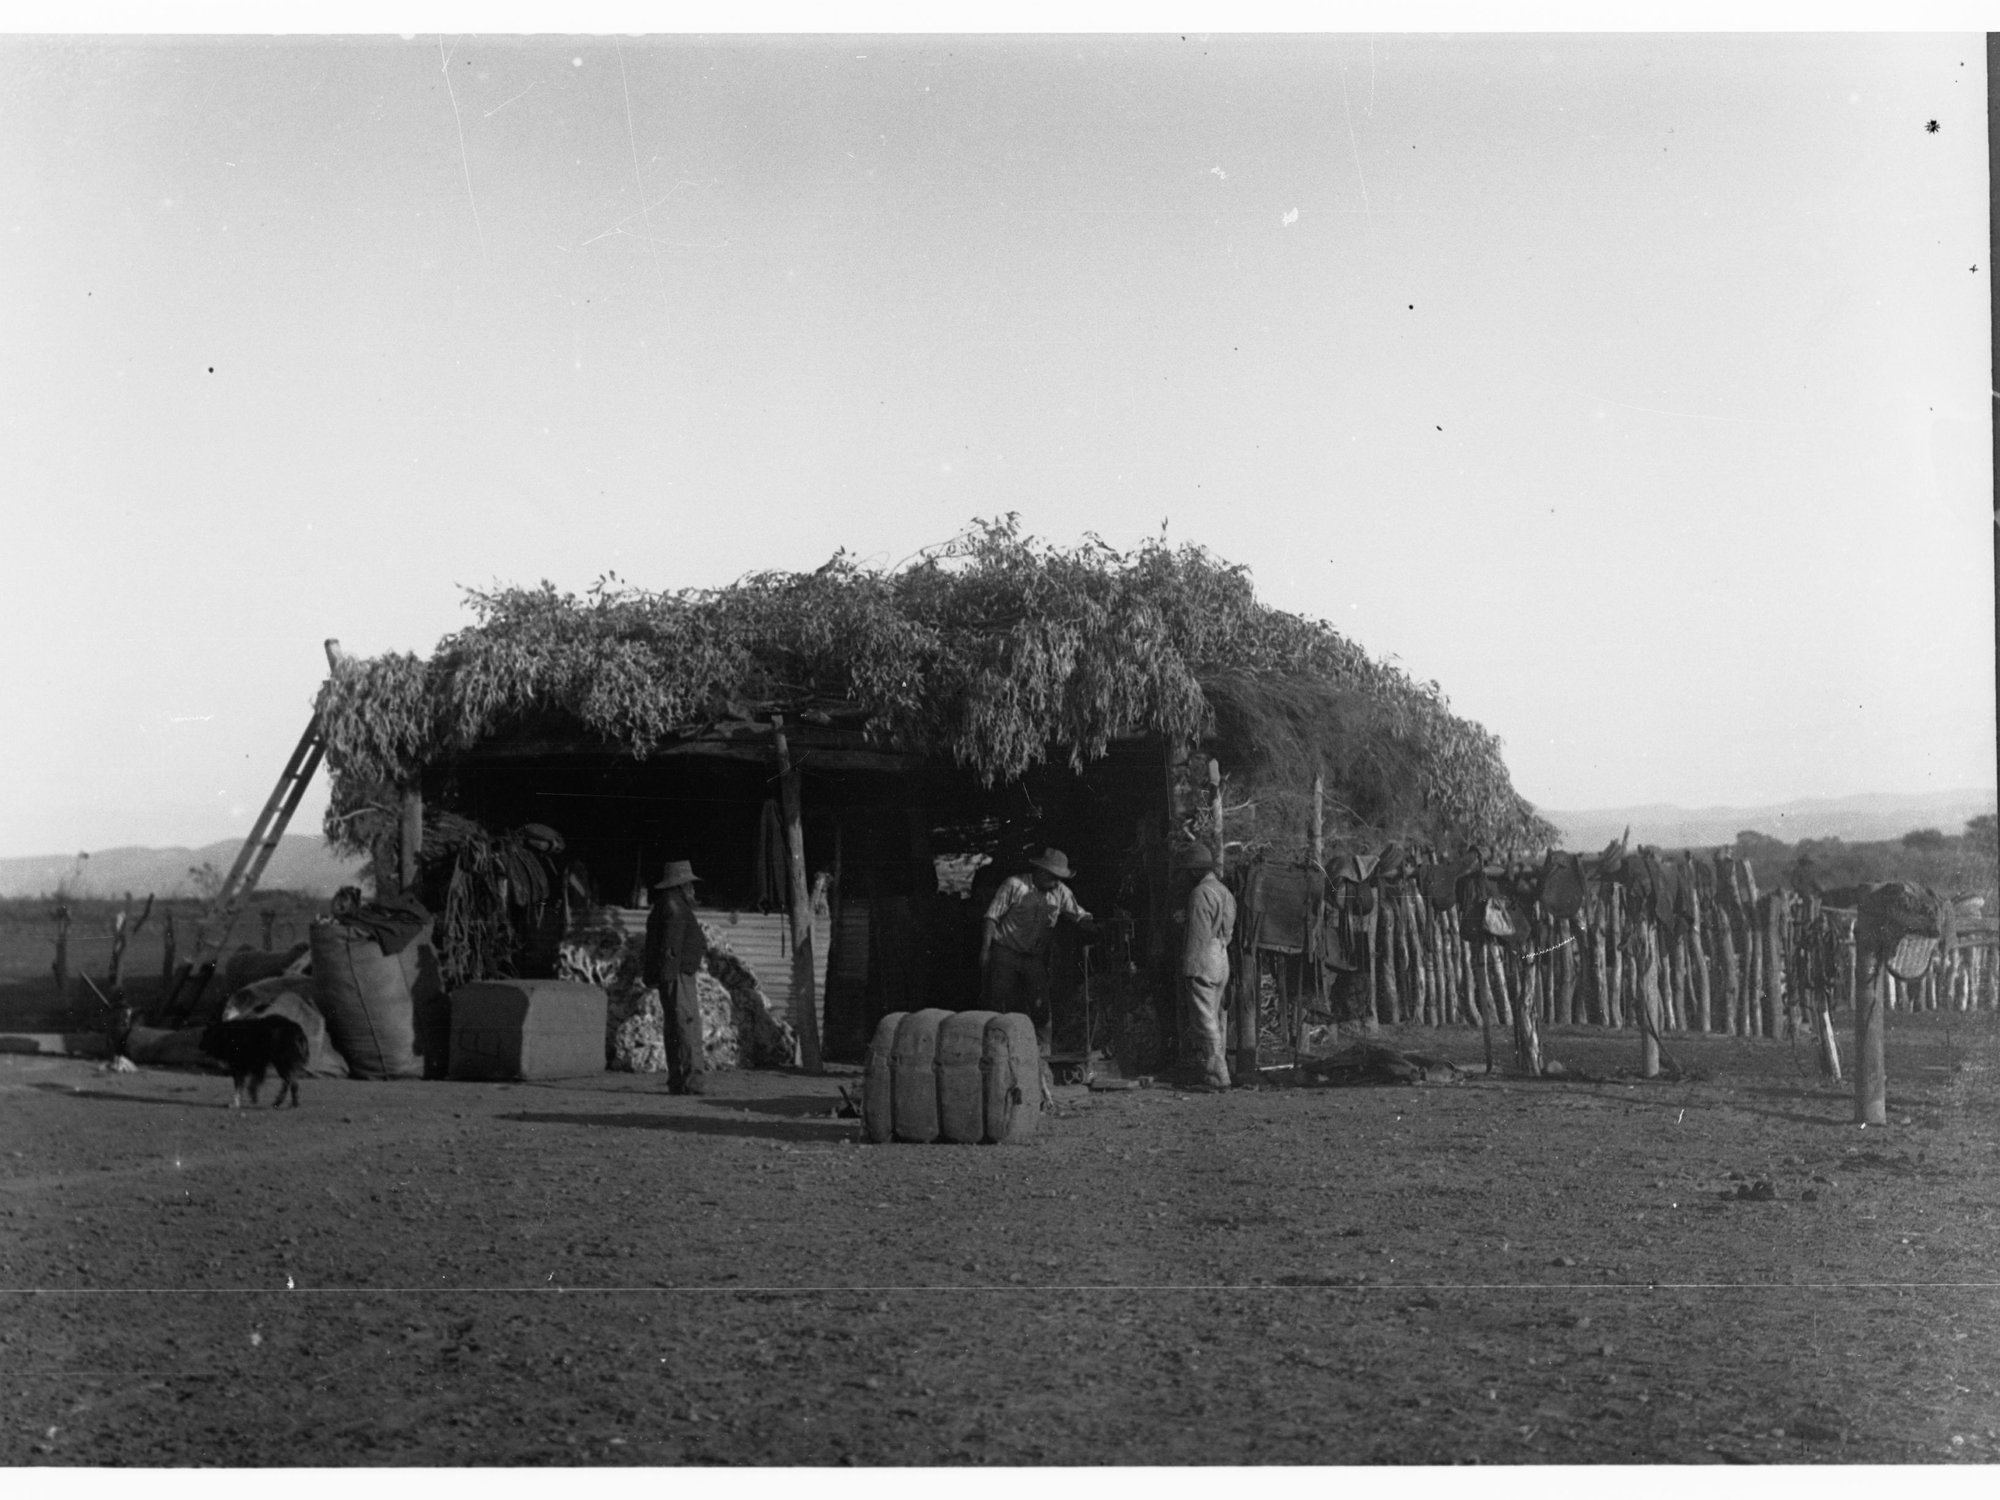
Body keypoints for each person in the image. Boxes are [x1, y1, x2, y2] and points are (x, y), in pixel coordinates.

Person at [980, 847, 1096, 1050]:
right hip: (1006, 950)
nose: (1056, 882)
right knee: (1000, 1000)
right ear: (1041, 872)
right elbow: (991, 917)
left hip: (1033, 956)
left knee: (1040, 1004)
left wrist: (1090, 924)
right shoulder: (1014, 885)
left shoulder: (1060, 891)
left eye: (1059, 878)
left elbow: (1078, 913)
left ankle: (1043, 1051)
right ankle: (996, 1049)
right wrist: (986, 950)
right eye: (1053, 877)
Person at [642, 860, 710, 1095]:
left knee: (675, 1026)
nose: (692, 889)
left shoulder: (668, 904)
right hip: (678, 975)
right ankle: (692, 1082)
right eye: (689, 884)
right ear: (682, 885)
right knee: (687, 1025)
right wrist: (668, 978)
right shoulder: (675, 906)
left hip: (673, 975)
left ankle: (678, 1080)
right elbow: (671, 948)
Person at [1174, 845, 1236, 1090]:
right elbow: (1227, 932)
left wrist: (1188, 965)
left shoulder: (1200, 893)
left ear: (1194, 871)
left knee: (1204, 1019)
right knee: (1216, 1015)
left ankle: (1217, 1074)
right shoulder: (1224, 891)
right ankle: (1216, 1072)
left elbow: (1198, 936)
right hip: (1221, 955)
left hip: (1204, 958)